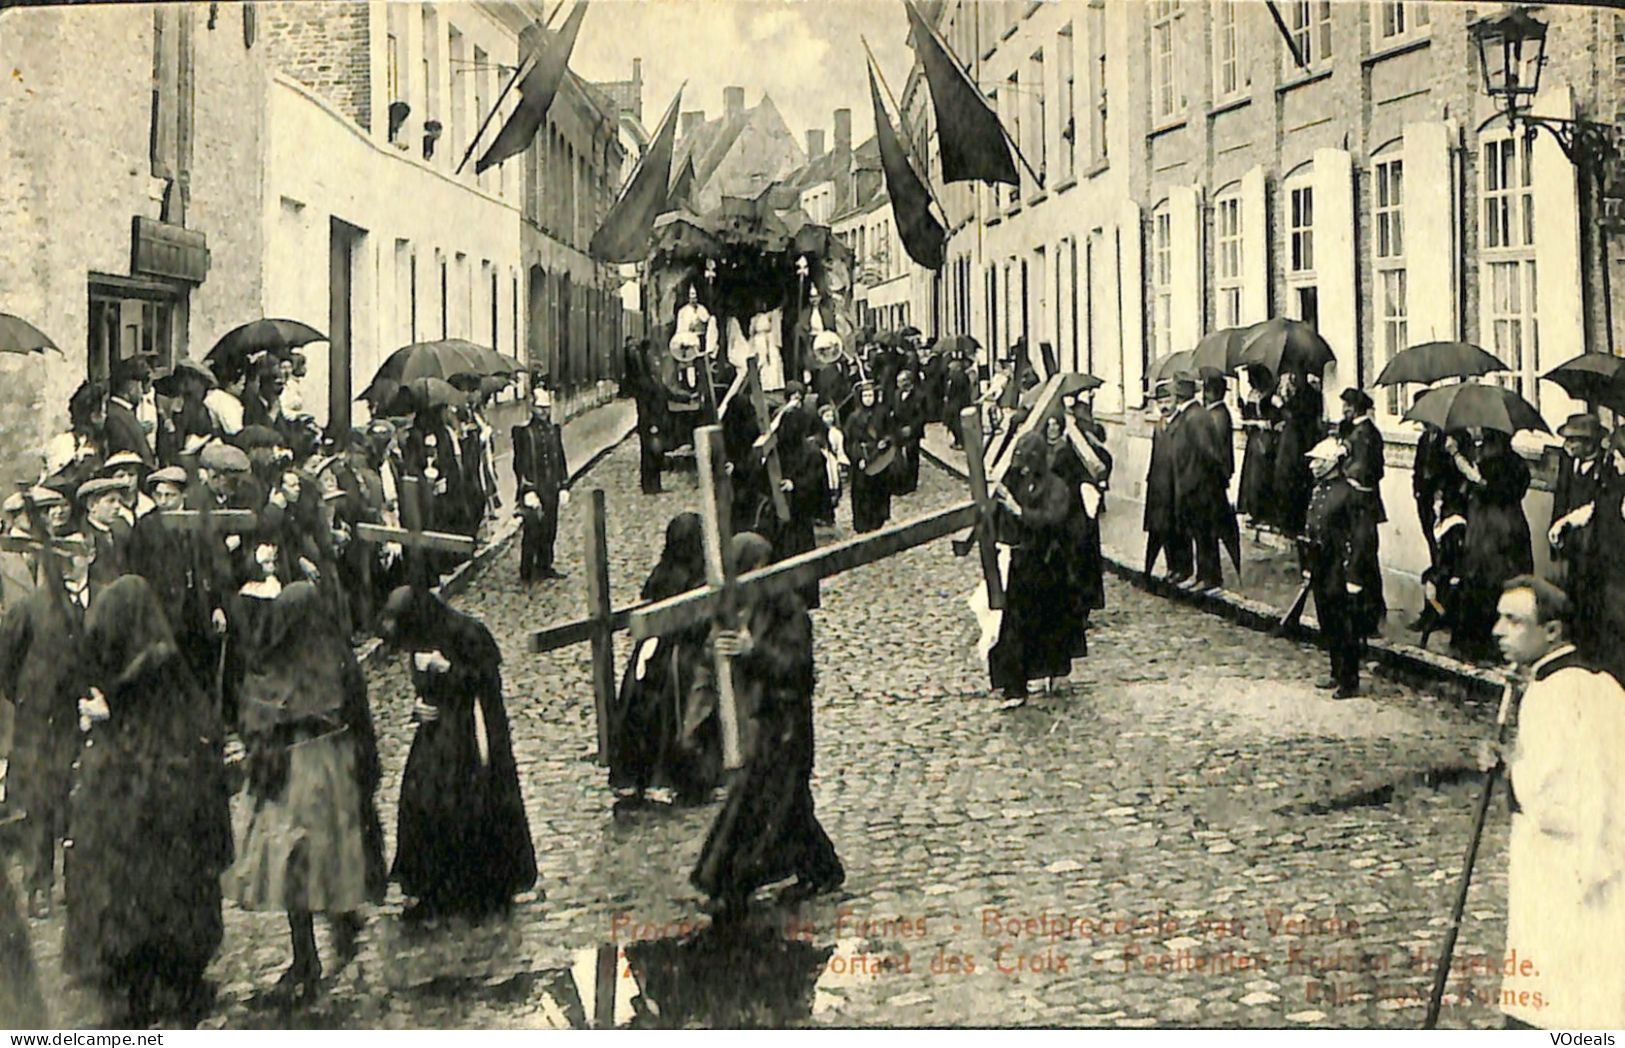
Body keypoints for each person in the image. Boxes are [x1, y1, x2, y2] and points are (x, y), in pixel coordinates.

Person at [65, 576, 231, 1024]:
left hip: (156, 832)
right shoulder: (160, 675)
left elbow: (150, 752)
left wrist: (108, 720)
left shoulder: (149, 675)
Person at [1484, 576, 1625, 1030]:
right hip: (1597, 858)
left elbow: (1550, 798)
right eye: (1500, 617)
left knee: (1549, 985)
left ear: (1551, 632)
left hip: (1556, 863)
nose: (1497, 630)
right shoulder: (1596, 683)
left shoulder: (1554, 696)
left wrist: (1508, 768)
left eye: (1514, 621)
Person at [224, 581, 373, 1003]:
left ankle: (305, 955)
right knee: (325, 859)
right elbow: (358, 714)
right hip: (330, 772)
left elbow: (252, 715)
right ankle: (338, 923)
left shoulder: (272, 663)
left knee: (292, 870)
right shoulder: (336, 656)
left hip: (289, 779)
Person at [690, 533, 843, 914]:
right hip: (765, 723)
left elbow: (798, 668)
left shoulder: (788, 609)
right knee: (786, 807)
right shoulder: (747, 609)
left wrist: (752, 651)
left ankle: (730, 885)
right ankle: (820, 870)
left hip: (789, 723)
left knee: (768, 804)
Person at [379, 586, 537, 921]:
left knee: (470, 803)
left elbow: (485, 686)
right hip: (436, 735)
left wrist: (448, 669)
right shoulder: (422, 634)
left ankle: (479, 885)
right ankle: (431, 884)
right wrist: (418, 707)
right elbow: (423, 691)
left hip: (471, 730)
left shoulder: (468, 632)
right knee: (419, 799)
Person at [0, 549, 94, 917]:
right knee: (39, 804)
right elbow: (5, 664)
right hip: (41, 723)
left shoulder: (103, 598)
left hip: (86, 716)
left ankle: (80, 882)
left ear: (90, 554)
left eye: (76, 552)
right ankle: (39, 884)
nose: (70, 561)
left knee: (82, 799)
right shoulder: (30, 608)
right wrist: (29, 697)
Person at [609, 514, 719, 808]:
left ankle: (633, 774)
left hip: (653, 648)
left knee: (641, 698)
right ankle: (670, 774)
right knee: (676, 700)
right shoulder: (698, 574)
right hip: (679, 650)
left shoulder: (663, 571)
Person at [987, 432, 1086, 706]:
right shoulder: (1020, 483)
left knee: (1051, 626)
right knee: (1016, 627)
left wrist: (1021, 512)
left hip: (1049, 568)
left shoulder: (1056, 486)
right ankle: (1014, 686)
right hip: (1023, 566)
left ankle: (1053, 673)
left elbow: (1053, 519)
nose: (1024, 469)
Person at [1299, 437, 1376, 698]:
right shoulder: (1319, 489)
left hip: (1339, 567)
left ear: (1331, 463)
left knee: (1344, 624)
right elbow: (1312, 527)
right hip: (1321, 564)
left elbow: (1361, 536)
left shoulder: (1350, 494)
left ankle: (1349, 679)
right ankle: (1335, 670)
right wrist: (1308, 566)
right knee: (1327, 620)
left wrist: (1354, 574)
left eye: (1317, 461)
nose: (1312, 466)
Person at [1449, 428, 1533, 662]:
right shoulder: (1517, 464)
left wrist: (1471, 473)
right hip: (1508, 528)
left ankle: (1483, 645)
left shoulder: (1496, 465)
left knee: (1485, 583)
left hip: (1492, 532)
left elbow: (1492, 491)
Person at [1337, 388, 1388, 635]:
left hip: (1362, 503)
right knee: (1362, 555)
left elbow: (1369, 469)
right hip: (1357, 503)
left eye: (1346, 406)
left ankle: (1370, 613)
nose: (1343, 410)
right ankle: (1372, 609)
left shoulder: (1366, 434)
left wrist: (1346, 472)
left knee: (1362, 555)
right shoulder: (1354, 431)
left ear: (1355, 408)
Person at [512, 386, 570, 583]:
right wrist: (527, 489)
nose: (544, 412)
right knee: (532, 529)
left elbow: (560, 458)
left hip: (551, 487)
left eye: (546, 407)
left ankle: (545, 565)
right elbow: (520, 464)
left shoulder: (554, 431)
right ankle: (527, 569)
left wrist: (564, 485)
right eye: (540, 408)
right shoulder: (524, 433)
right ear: (532, 408)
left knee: (550, 528)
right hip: (534, 488)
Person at [1271, 370, 1322, 536]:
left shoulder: (1307, 396)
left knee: (1292, 481)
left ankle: (1293, 524)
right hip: (1298, 443)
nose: (1293, 379)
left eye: (1295, 376)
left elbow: (1294, 417)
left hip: (1299, 445)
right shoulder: (1303, 394)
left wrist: (1280, 405)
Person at [1141, 383, 1181, 582]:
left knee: (1174, 529)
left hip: (1174, 485)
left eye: (1167, 401)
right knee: (1158, 529)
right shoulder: (1159, 425)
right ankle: (1150, 571)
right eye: (1160, 402)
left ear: (1176, 400)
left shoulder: (1180, 424)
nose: (1164, 406)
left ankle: (1177, 568)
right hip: (1158, 485)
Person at [845, 381, 893, 533]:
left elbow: (891, 432)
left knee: (879, 490)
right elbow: (849, 441)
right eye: (865, 395)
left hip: (879, 459)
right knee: (862, 493)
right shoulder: (853, 418)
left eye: (870, 395)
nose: (868, 398)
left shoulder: (882, 413)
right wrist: (858, 457)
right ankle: (862, 523)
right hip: (862, 460)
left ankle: (878, 519)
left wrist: (885, 442)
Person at [1235, 366, 1279, 527]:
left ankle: (1266, 513)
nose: (1249, 381)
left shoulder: (1272, 396)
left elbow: (1276, 420)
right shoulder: (1252, 394)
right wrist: (1243, 409)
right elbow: (1248, 416)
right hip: (1254, 440)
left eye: (1252, 377)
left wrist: (1260, 423)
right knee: (1252, 476)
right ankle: (1253, 510)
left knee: (1263, 475)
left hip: (1267, 440)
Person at [104, 358, 158, 467]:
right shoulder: (119, 416)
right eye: (140, 385)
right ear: (131, 387)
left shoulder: (120, 413)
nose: (142, 391)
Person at [630, 340, 667, 495]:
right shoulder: (644, 382)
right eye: (652, 357)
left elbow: (668, 393)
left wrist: (687, 397)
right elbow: (643, 407)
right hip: (649, 423)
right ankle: (648, 485)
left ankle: (655, 484)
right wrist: (652, 424)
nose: (655, 361)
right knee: (649, 455)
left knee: (656, 454)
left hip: (656, 421)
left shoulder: (655, 379)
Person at [890, 369, 927, 497]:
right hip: (898, 429)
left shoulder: (919, 396)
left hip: (912, 430)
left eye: (900, 381)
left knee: (912, 455)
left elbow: (922, 415)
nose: (898, 384)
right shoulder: (896, 394)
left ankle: (912, 483)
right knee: (899, 456)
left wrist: (912, 428)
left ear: (908, 381)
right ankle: (901, 482)